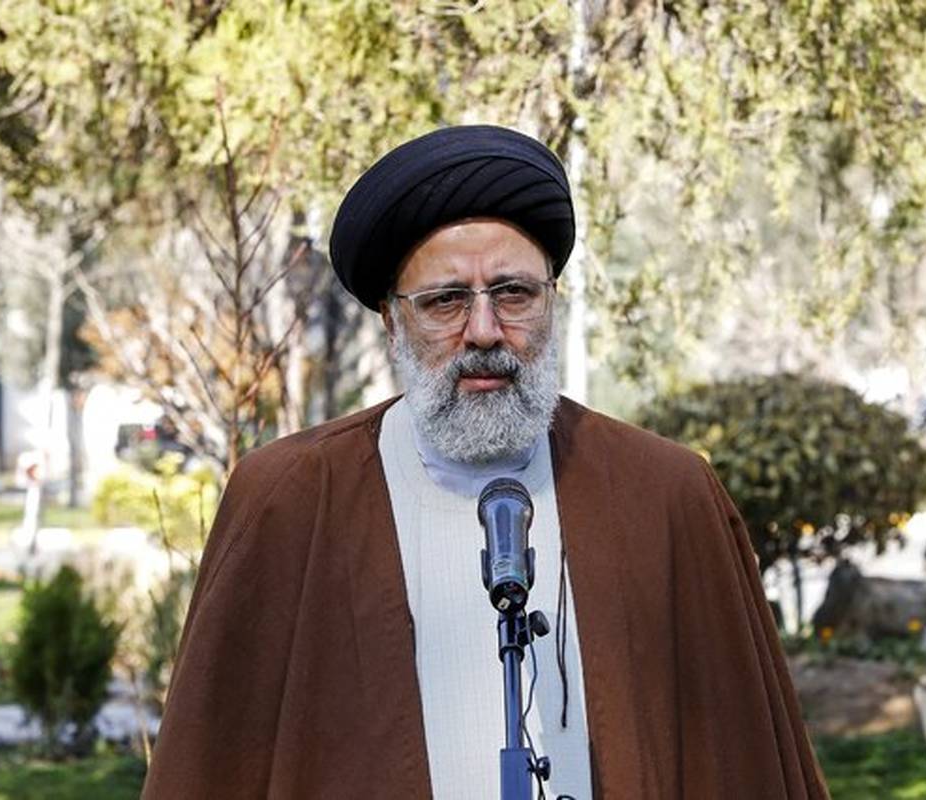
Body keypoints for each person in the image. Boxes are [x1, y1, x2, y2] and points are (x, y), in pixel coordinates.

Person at [142, 125, 828, 799]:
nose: (483, 331)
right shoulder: (290, 499)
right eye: (444, 301)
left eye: (513, 293)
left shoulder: (666, 495)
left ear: (551, 302)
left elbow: (743, 759)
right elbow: (211, 766)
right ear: (391, 321)